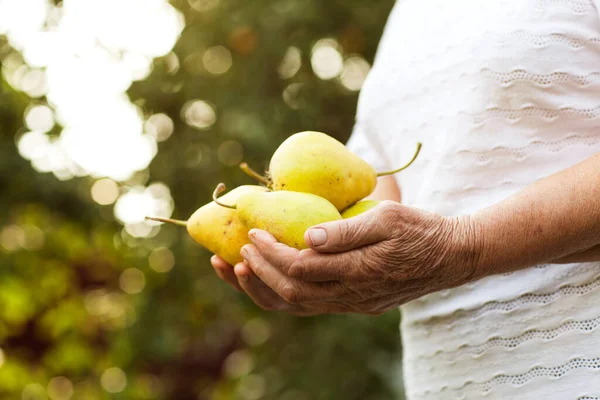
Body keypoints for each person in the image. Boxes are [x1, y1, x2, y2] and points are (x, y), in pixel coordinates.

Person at [211, 1, 600, 398]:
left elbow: (445, 240)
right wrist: (324, 273)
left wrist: (464, 245)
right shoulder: (407, 14)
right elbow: (375, 189)